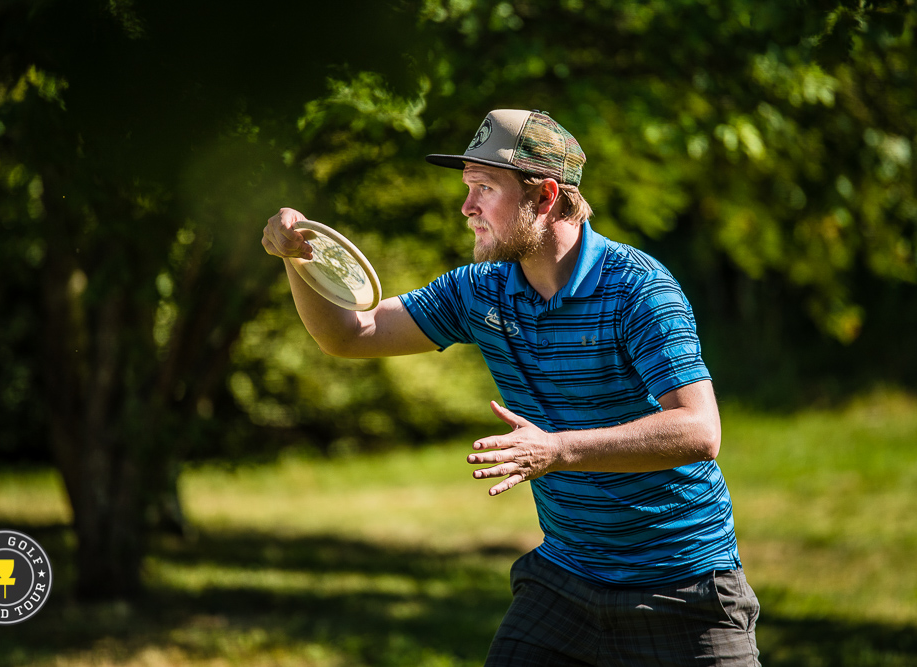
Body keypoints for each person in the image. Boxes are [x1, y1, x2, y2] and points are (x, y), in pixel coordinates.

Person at [262, 109, 760, 666]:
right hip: (564, 579)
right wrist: (297, 260)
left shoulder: (638, 290)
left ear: (544, 198)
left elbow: (699, 430)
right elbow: (351, 335)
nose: (466, 208)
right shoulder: (480, 291)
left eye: (484, 188)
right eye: (467, 188)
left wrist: (558, 448)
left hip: (681, 586)